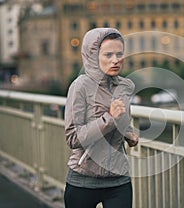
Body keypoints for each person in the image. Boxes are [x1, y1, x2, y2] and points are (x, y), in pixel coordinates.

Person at [64, 28, 139, 208]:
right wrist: (109, 118)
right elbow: (73, 138)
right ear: (92, 56)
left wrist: (129, 134)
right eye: (108, 54)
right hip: (83, 181)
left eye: (119, 54)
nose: (115, 60)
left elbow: (121, 122)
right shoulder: (80, 86)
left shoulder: (125, 86)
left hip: (119, 180)